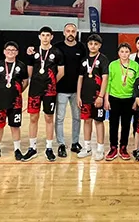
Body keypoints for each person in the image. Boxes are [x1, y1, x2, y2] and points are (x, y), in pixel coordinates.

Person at [24, 26, 65, 162]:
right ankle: (32, 148)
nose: (45, 37)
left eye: (48, 35)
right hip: (35, 90)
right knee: (33, 118)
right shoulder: (33, 52)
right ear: (39, 37)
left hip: (50, 91)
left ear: (51, 37)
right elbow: (30, 71)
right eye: (43, 35)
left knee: (49, 118)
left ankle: (49, 148)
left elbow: (61, 72)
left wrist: (51, 83)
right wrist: (38, 81)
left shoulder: (57, 52)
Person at [0, 42, 29, 162]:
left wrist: (17, 92)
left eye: (13, 50)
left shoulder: (21, 66)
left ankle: (17, 149)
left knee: (15, 126)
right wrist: (1, 91)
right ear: (4, 51)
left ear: (17, 52)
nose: (11, 52)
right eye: (8, 50)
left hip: (15, 102)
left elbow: (25, 81)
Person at [53, 23, 86, 158]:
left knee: (77, 117)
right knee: (59, 118)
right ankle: (61, 144)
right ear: (64, 32)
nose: (70, 33)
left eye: (73, 31)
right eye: (68, 31)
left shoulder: (81, 47)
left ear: (76, 33)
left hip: (76, 90)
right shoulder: (57, 47)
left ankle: (75, 142)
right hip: (61, 89)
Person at [105, 43, 139, 161]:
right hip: (114, 98)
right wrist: (106, 99)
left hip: (129, 99)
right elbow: (108, 82)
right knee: (113, 124)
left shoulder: (135, 65)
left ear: (130, 53)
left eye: (126, 52)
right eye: (122, 51)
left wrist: (135, 101)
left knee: (126, 125)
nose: (124, 54)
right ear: (118, 53)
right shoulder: (112, 65)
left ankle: (123, 147)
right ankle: (113, 147)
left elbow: (138, 84)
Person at [76, 34, 109, 161]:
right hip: (85, 96)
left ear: (99, 45)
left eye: (96, 44)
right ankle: (87, 147)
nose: (93, 46)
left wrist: (101, 96)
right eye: (90, 44)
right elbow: (80, 78)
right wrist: (78, 96)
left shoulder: (103, 59)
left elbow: (105, 78)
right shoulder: (83, 60)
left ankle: (100, 149)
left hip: (97, 97)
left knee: (98, 121)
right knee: (87, 121)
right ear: (87, 45)